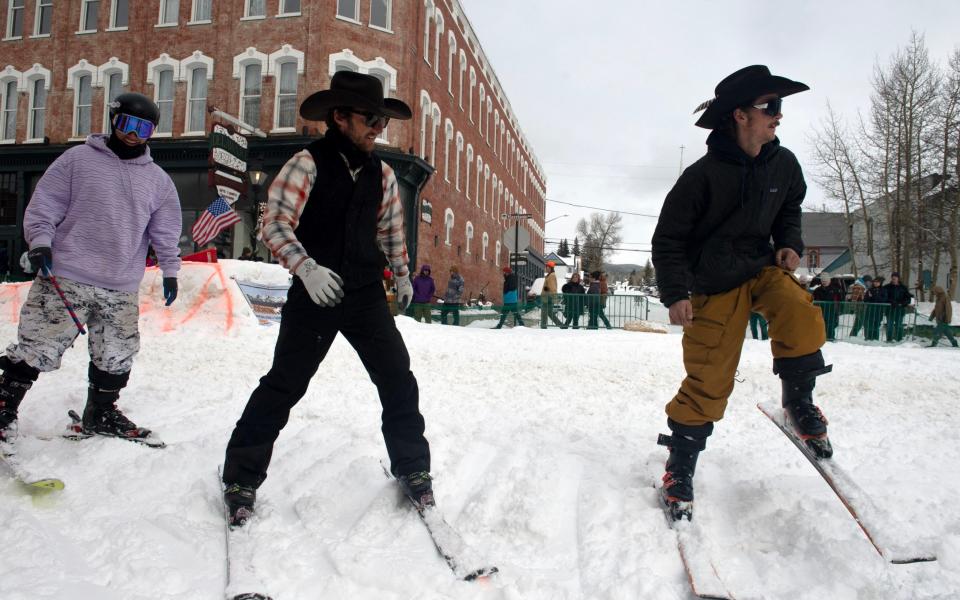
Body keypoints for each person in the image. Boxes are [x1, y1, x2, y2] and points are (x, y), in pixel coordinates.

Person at [221, 71, 432, 525]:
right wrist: (307, 268)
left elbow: (391, 232)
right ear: (340, 117)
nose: (379, 128)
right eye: (370, 118)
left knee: (398, 379)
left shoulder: (386, 174)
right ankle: (241, 476)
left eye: (382, 120)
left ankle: (414, 468)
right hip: (314, 294)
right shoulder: (307, 163)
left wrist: (401, 274)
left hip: (365, 296)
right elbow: (274, 224)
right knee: (284, 385)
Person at [651, 65, 832, 521]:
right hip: (713, 283)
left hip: (761, 268)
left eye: (779, 106)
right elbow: (668, 240)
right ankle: (680, 465)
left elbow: (790, 208)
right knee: (709, 377)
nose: (778, 116)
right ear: (740, 116)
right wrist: (676, 293)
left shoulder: (784, 164)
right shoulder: (701, 177)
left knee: (799, 310)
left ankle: (798, 401)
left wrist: (790, 243)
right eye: (769, 106)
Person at [0, 92, 181, 444]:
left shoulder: (158, 180)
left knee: (117, 353)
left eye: (144, 128)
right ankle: (4, 402)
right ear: (114, 120)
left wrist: (171, 269)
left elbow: (165, 230)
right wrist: (40, 243)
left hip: (121, 283)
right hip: (67, 275)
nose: (134, 134)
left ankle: (100, 411)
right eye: (128, 123)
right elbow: (44, 207)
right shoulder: (77, 160)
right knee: (39, 344)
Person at [812, 272, 843, 341]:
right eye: (823, 281)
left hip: (832, 310)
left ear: (829, 280)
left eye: (825, 281)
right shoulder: (817, 290)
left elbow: (839, 300)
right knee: (821, 325)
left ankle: (830, 338)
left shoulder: (835, 290)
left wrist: (838, 310)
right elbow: (814, 300)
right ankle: (821, 338)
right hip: (820, 310)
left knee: (831, 325)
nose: (824, 282)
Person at [882, 272, 912, 342]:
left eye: (895, 277)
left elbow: (908, 298)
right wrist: (891, 301)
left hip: (900, 310)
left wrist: (904, 302)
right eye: (893, 278)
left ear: (898, 278)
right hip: (890, 310)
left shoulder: (903, 287)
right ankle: (889, 339)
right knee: (890, 325)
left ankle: (899, 339)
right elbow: (884, 297)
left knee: (899, 325)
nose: (894, 279)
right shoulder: (887, 287)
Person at [539, 261, 565, 329]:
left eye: (547, 267)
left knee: (544, 313)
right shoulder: (550, 275)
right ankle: (561, 325)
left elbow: (552, 287)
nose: (546, 268)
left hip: (547, 297)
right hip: (548, 297)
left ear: (550, 268)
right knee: (550, 313)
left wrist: (546, 291)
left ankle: (543, 327)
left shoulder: (551, 276)